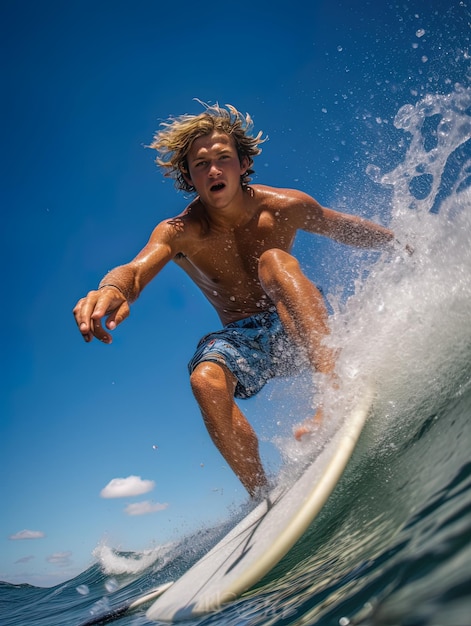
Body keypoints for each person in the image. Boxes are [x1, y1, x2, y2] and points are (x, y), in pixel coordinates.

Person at [73, 103, 395, 497]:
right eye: (200, 164)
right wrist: (112, 289)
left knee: (275, 261)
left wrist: (406, 243)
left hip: (298, 315)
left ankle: (333, 393)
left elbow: (343, 227)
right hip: (243, 339)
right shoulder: (180, 232)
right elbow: (137, 269)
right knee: (204, 380)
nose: (213, 170)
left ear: (243, 163)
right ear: (189, 177)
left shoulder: (283, 207)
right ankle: (260, 493)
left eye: (223, 158)